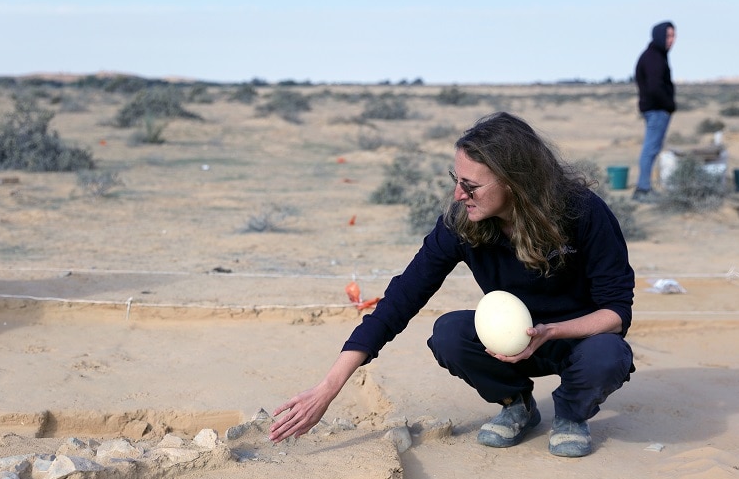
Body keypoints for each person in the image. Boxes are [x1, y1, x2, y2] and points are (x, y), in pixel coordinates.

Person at [270, 112, 635, 458]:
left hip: (577, 340)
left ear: (515, 182)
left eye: (471, 186)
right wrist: (328, 387)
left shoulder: (583, 212)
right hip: (508, 344)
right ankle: (517, 405)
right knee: (449, 333)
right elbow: (401, 299)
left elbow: (616, 312)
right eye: (456, 180)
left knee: (608, 355)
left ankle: (572, 414)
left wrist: (550, 331)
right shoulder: (463, 224)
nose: (459, 194)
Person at [633, 21, 676, 200]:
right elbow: (654, 87)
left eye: (674, 36)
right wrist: (668, 104)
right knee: (650, 149)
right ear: (659, 36)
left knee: (652, 148)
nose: (672, 40)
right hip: (656, 110)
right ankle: (643, 189)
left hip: (657, 109)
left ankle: (645, 187)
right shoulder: (653, 57)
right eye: (668, 36)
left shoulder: (657, 55)